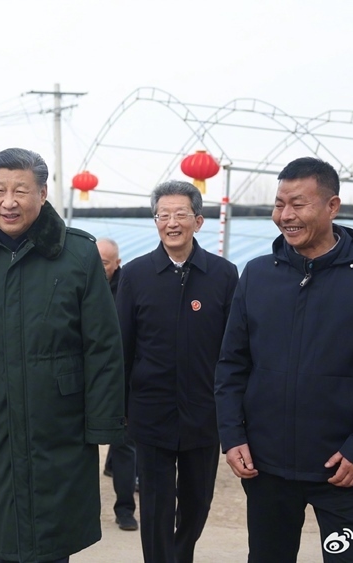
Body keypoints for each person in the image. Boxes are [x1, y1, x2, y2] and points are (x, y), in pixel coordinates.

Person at [0, 148, 125, 563]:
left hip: (60, 418)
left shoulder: (78, 255)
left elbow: (103, 345)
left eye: (20, 190)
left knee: (53, 536)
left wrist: (103, 422)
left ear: (43, 193)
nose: (8, 202)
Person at [214, 156, 353, 563]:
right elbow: (232, 364)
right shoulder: (257, 274)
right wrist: (232, 435)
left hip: (346, 469)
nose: (285, 215)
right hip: (267, 467)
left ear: (332, 206)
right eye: (279, 204)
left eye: (298, 204)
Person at [117, 181, 238, 562]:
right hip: (151, 412)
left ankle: (180, 555)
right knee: (155, 505)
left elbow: (234, 350)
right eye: (163, 215)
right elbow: (122, 347)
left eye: (180, 214)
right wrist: (120, 408)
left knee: (198, 501)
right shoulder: (135, 275)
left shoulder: (224, 275)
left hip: (204, 413)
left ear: (198, 221)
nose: (171, 223)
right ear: (155, 221)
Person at [96, 237, 138, 532]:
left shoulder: (127, 286)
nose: (99, 268)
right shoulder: (79, 281)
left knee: (126, 444)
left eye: (104, 263)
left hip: (121, 378)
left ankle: (125, 509)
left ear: (117, 264)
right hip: (89, 376)